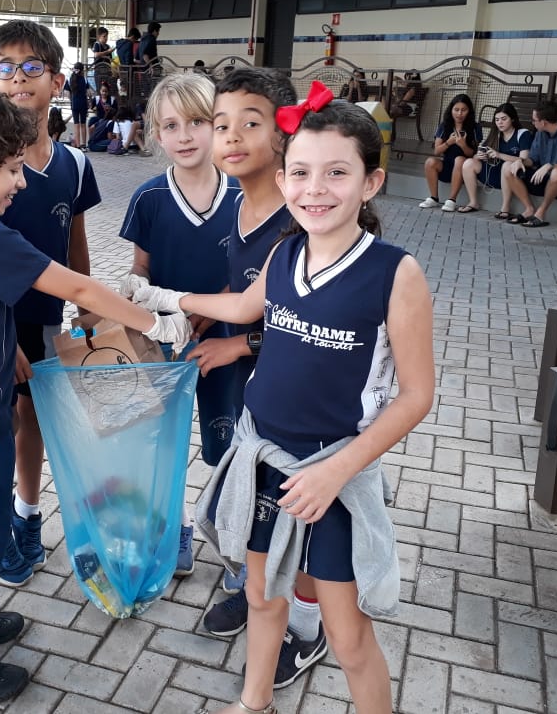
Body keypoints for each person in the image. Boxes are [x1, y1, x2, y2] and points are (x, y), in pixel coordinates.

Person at [132, 95, 435, 714]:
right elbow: (242, 310)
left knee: (348, 640)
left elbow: (416, 396)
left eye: (336, 172)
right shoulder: (286, 252)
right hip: (261, 458)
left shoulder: (394, 273)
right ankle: (254, 704)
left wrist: (335, 472)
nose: (315, 189)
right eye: (300, 172)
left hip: (333, 475)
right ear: (282, 177)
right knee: (264, 599)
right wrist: (161, 297)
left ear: (371, 182)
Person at [0, 84, 189, 707]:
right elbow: (77, 288)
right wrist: (153, 322)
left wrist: (5, 347)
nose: (22, 183)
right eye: (10, 169)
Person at [191, 68, 329, 690]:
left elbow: (299, 317)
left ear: (284, 133)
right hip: (259, 393)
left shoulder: (302, 214)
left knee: (301, 516)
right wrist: (199, 314)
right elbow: (246, 291)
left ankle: (306, 627)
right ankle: (260, 602)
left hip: (308, 402)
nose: (231, 136)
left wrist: (236, 343)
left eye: (251, 122)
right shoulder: (241, 204)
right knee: (255, 506)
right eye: (221, 125)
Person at [0, 19, 106, 586]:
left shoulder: (75, 164)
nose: (18, 79)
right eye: (5, 68)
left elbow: (74, 245)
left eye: (32, 67)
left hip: (46, 320)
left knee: (34, 417)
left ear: (56, 81)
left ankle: (29, 519)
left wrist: (86, 313)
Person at [118, 73, 240, 577]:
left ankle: (235, 541)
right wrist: (132, 287)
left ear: (220, 126)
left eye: (198, 121)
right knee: (164, 445)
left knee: (227, 448)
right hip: (165, 343)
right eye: (171, 125)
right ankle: (178, 526)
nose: (185, 135)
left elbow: (255, 277)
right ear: (155, 134)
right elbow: (142, 268)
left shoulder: (245, 196)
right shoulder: (148, 199)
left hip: (228, 344)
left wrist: (208, 315)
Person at [500, 100, 557, 227]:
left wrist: (551, 165)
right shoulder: (540, 133)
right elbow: (532, 160)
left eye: (534, 120)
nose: (532, 123)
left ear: (543, 122)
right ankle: (529, 209)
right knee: (507, 166)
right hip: (543, 179)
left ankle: (540, 213)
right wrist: (519, 161)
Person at [460, 102, 533, 217]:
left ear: (512, 119)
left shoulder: (522, 134)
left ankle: (505, 208)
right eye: (497, 119)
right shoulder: (496, 134)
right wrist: (478, 156)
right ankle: (473, 202)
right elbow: (478, 154)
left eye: (504, 119)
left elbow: (525, 160)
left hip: (514, 176)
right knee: (469, 163)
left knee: (507, 165)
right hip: (495, 175)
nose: (500, 122)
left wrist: (499, 155)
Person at [418, 93, 481, 211]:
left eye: (463, 110)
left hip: (464, 170)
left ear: (469, 111)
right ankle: (433, 198)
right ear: (451, 110)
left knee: (459, 159)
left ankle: (451, 200)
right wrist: (449, 142)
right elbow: (437, 151)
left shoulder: (475, 127)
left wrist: (462, 145)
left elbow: (473, 154)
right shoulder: (445, 125)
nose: (459, 113)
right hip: (447, 166)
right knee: (430, 162)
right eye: (456, 110)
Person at [65, 62, 89, 150]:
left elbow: (67, 93)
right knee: (83, 124)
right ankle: (84, 145)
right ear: (82, 70)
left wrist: (72, 99)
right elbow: (88, 92)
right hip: (83, 103)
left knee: (76, 124)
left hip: (74, 104)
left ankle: (78, 145)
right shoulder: (84, 79)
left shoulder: (69, 78)